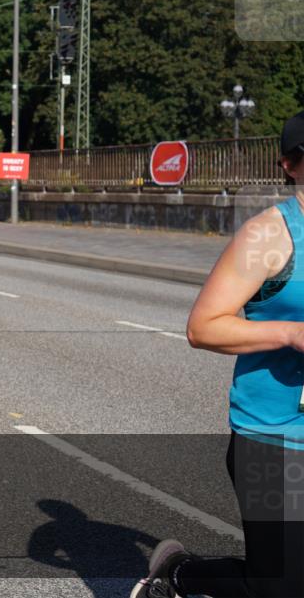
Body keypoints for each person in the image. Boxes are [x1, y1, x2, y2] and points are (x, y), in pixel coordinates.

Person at [131, 111, 304, 598]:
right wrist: (292, 334)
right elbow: (203, 326)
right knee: (281, 585)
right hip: (275, 434)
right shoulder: (268, 235)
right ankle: (177, 575)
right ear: (290, 165)